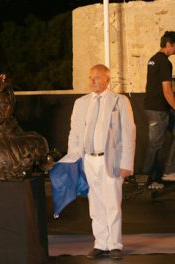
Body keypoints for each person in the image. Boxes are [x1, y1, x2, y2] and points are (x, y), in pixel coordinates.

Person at [67, 64, 136, 260]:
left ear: (107, 79)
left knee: (112, 203)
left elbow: (129, 134)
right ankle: (100, 243)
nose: (92, 81)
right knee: (95, 204)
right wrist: (73, 159)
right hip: (88, 160)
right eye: (90, 77)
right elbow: (74, 133)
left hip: (110, 160)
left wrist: (126, 163)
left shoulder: (119, 101)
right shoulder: (81, 103)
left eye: (97, 77)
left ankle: (115, 244)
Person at [142, 31, 175, 189]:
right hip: (158, 109)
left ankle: (169, 171)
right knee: (155, 145)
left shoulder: (153, 59)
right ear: (169, 44)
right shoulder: (165, 62)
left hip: (154, 107)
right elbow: (167, 91)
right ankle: (147, 180)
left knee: (157, 143)